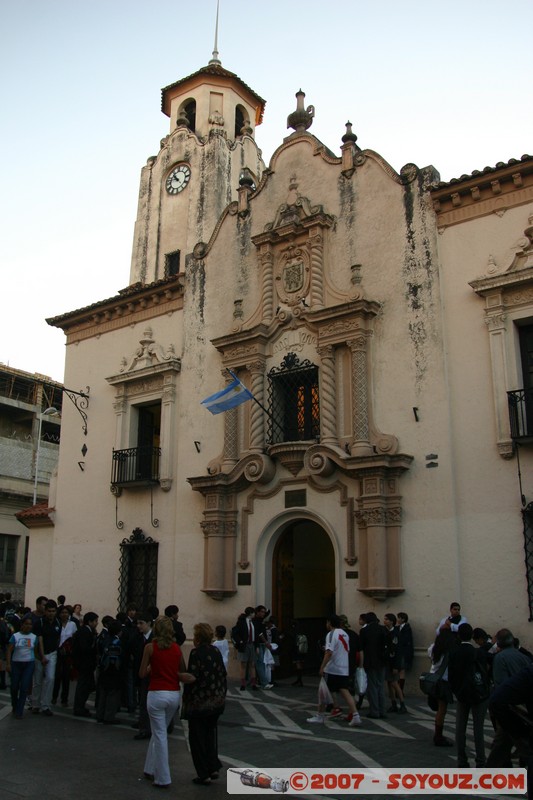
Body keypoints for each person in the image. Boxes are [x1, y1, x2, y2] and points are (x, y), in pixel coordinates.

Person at [139, 616, 192, 788]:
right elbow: (182, 670)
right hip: (173, 694)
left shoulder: (150, 647)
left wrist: (151, 668)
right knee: (158, 731)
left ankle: (163, 777)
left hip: (156, 693)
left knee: (160, 734)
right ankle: (149, 768)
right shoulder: (176, 648)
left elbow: (141, 673)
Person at [182, 622, 227, 785]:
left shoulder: (196, 653)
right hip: (215, 702)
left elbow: (193, 676)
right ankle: (213, 767)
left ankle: (203, 773)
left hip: (199, 703)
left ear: (198, 638)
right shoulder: (215, 651)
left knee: (197, 739)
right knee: (210, 736)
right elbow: (223, 674)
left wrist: (179, 676)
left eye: (194, 636)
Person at [486, 628, 532, 767]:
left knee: (502, 743)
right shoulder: (523, 657)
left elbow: (500, 685)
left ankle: (490, 775)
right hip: (524, 707)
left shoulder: (500, 658)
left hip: (509, 707)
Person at [307, 614, 362, 726]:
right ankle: (356, 715)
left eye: (327, 622)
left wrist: (322, 667)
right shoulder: (345, 634)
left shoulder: (331, 634)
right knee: (345, 690)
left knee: (322, 691)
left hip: (332, 668)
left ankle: (320, 716)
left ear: (330, 623)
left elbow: (329, 652)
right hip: (343, 668)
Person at [448, 622, 489, 767]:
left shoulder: (454, 652)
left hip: (462, 694)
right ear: (472, 636)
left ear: (459, 635)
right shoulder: (479, 653)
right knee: (478, 728)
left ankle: (461, 760)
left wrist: (456, 690)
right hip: (479, 694)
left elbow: (451, 675)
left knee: (460, 727)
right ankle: (481, 760)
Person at [427, 626, 457, 746]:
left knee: (439, 708)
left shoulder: (433, 648)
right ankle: (438, 736)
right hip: (443, 681)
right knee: (442, 709)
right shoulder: (449, 650)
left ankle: (438, 735)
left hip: (433, 679)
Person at [6, 614, 38, 718]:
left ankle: (19, 711)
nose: (28, 626)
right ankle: (14, 704)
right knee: (14, 687)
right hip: (16, 663)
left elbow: (36, 651)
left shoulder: (34, 637)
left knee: (24, 687)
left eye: (30, 624)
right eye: (26, 624)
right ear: (22, 625)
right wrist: (8, 664)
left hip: (29, 664)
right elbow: (9, 650)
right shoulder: (15, 636)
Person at [32, 600, 61, 715]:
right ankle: (35, 704)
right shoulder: (40, 623)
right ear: (45, 611)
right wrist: (41, 656)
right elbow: (39, 640)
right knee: (38, 680)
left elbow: (58, 638)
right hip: (39, 655)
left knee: (50, 678)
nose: (51, 613)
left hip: (52, 653)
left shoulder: (58, 622)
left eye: (53, 611)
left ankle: (46, 705)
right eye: (49, 611)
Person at [359, 611, 388, 719]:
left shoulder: (364, 631)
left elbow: (361, 648)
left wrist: (361, 664)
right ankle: (382, 710)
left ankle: (374, 711)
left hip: (370, 661)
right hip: (382, 661)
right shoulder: (383, 629)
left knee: (372, 687)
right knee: (380, 686)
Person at [96, 619, 124, 724]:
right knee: (112, 694)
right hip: (112, 670)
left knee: (103, 692)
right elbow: (115, 657)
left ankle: (100, 714)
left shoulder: (105, 639)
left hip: (103, 668)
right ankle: (109, 716)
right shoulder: (117, 642)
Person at [72, 611, 99, 717]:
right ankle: (79, 708)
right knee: (83, 686)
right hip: (84, 663)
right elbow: (84, 648)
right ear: (90, 622)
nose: (97, 623)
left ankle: (81, 706)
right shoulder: (84, 632)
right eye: (95, 621)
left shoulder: (88, 631)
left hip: (86, 663)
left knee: (86, 686)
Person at [132, 611, 154, 740]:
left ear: (149, 623)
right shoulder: (138, 637)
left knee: (148, 702)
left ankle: (146, 728)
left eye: (141, 623)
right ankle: (144, 726)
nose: (139, 626)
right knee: (143, 701)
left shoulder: (154, 639)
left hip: (152, 674)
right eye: (137, 623)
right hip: (141, 674)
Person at [52, 605, 77, 706]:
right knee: (57, 675)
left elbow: (74, 638)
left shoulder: (72, 624)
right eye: (62, 612)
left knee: (66, 676)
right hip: (57, 651)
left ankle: (64, 699)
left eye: (66, 612)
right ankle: (54, 696)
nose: (64, 614)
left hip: (68, 653)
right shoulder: (56, 623)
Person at [383, 613, 407, 713]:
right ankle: (393, 703)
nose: (384, 621)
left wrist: (396, 666)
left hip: (393, 662)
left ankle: (402, 704)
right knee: (389, 683)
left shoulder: (395, 633)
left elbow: (397, 651)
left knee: (394, 683)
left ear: (391, 621)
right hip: (387, 661)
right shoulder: (386, 632)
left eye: (386, 619)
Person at [232, 608, 258, 691]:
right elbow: (234, 632)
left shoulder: (254, 622)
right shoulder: (242, 622)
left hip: (252, 644)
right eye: (253, 613)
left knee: (252, 664)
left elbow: (256, 634)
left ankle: (253, 683)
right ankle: (243, 684)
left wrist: (256, 646)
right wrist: (240, 641)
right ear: (250, 613)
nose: (255, 614)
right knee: (243, 665)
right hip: (244, 645)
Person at [396, 611, 414, 695]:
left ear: (403, 619)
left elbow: (405, 640)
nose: (397, 619)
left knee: (402, 671)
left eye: (399, 618)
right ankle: (398, 690)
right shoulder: (398, 628)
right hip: (399, 652)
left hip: (403, 652)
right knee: (399, 671)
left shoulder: (406, 628)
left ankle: (400, 690)